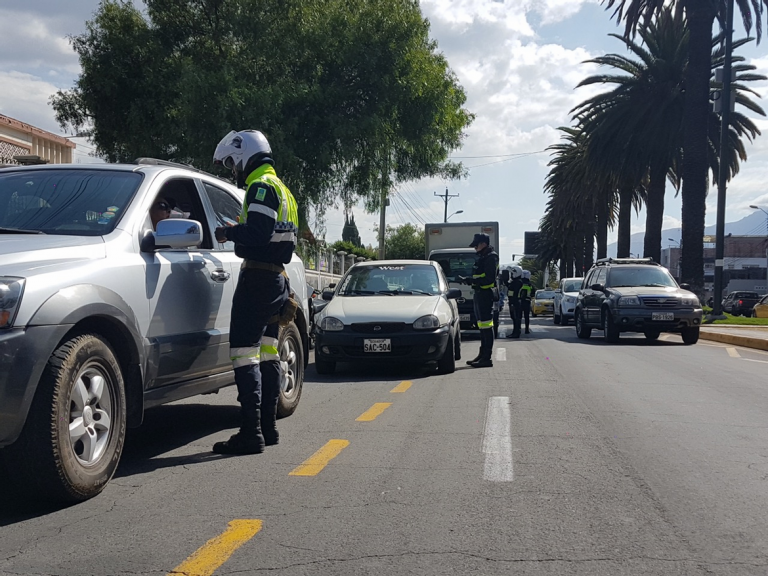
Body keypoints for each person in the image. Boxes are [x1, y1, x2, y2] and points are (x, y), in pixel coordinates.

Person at [211, 130, 299, 455]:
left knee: (243, 353)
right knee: (268, 353)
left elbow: (259, 233)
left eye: (234, 163)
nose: (234, 170)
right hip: (277, 282)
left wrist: (229, 231)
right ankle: (268, 429)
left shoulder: (261, 187)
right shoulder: (284, 190)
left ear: (245, 155)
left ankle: (250, 433)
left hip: (258, 282)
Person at [461, 233, 499, 368]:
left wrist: (472, 280)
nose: (475, 248)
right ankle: (482, 355)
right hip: (479, 293)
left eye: (476, 245)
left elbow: (489, 279)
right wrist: (469, 280)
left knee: (486, 327)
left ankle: (486, 358)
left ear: (483, 244)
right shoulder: (483, 257)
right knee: (482, 327)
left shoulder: (491, 257)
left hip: (485, 295)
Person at [505, 265, 524, 338]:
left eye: (512, 273)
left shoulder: (517, 282)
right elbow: (509, 287)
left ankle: (516, 333)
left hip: (515, 302)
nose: (511, 275)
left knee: (516, 318)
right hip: (514, 302)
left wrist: (512, 303)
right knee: (514, 318)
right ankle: (515, 332)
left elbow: (514, 293)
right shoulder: (515, 282)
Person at [519, 270, 534, 335]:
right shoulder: (530, 284)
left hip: (519, 302)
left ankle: (518, 329)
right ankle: (527, 329)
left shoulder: (519, 282)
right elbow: (533, 293)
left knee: (519, 316)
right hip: (527, 302)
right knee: (526, 317)